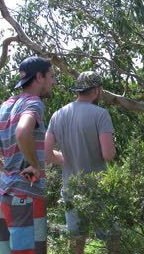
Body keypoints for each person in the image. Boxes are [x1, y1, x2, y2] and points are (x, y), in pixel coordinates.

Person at [0, 56, 57, 254]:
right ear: (39, 77)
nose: (53, 81)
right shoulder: (33, 104)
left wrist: (3, 168)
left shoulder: (5, 106)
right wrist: (35, 166)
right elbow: (22, 131)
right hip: (25, 197)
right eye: (51, 76)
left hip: (3, 196)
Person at [44, 71, 119, 254]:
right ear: (96, 90)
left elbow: (45, 153)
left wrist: (63, 158)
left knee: (76, 238)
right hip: (99, 187)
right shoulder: (101, 114)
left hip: (71, 186)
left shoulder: (58, 114)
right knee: (112, 238)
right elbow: (108, 154)